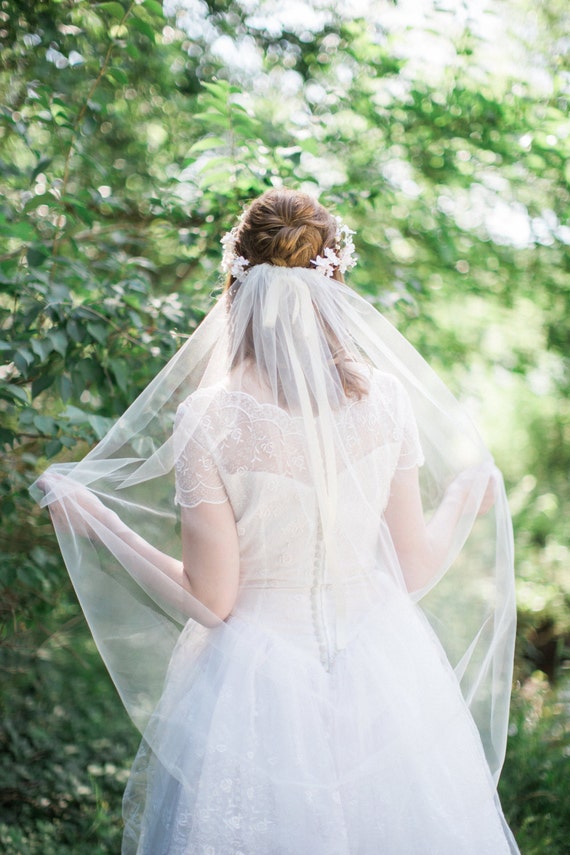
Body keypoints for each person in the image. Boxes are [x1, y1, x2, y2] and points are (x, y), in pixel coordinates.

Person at [33, 188, 520, 854]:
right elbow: (411, 570)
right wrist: (462, 498)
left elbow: (213, 600)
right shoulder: (387, 400)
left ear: (235, 284)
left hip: (258, 683)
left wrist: (100, 523)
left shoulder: (212, 417)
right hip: (384, 664)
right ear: (334, 282)